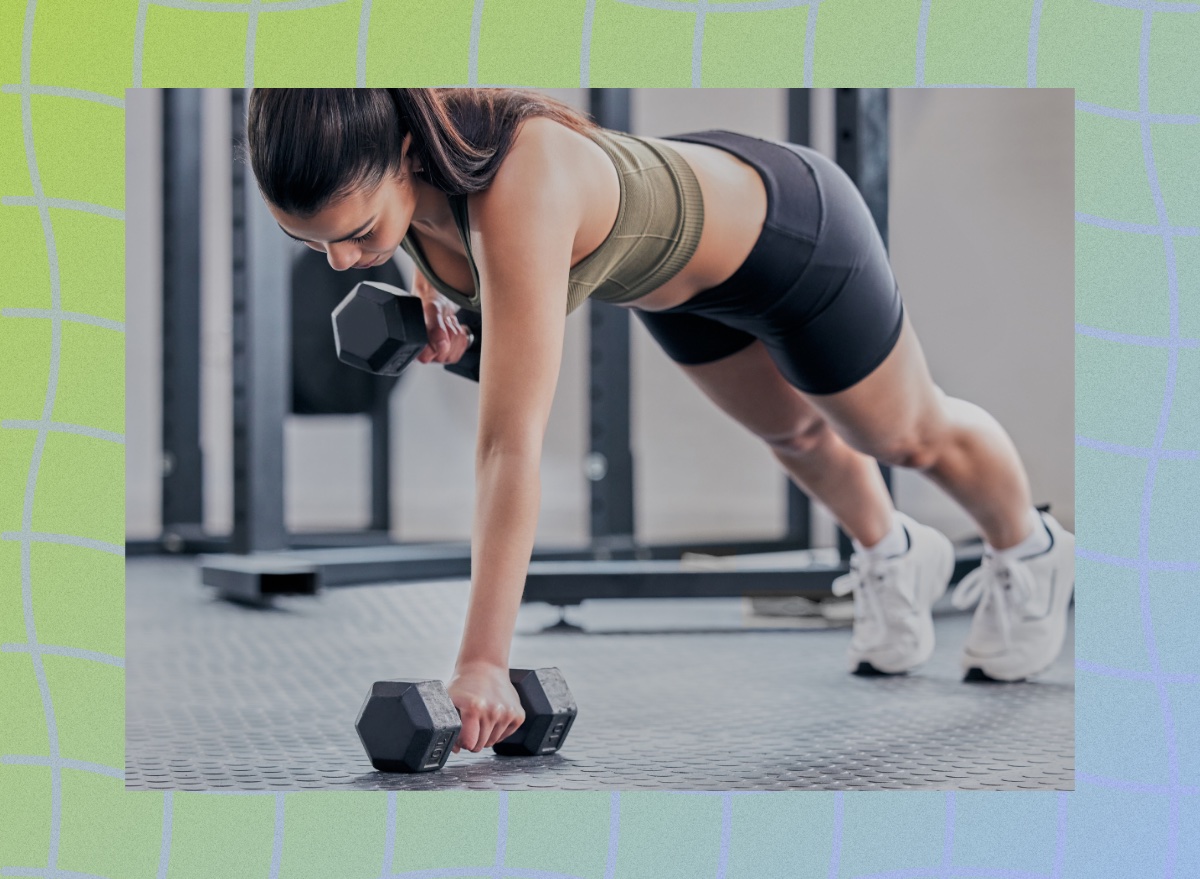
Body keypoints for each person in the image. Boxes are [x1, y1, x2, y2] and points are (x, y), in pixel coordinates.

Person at [246, 88, 1075, 755]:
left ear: (401, 151)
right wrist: (444, 310)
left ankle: (1030, 548)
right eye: (313, 244)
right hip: (679, 284)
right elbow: (471, 291)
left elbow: (509, 447)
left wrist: (481, 662)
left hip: (792, 236)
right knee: (794, 435)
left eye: (357, 234)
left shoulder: (518, 183)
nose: (346, 260)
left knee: (901, 434)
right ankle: (895, 553)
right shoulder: (406, 187)